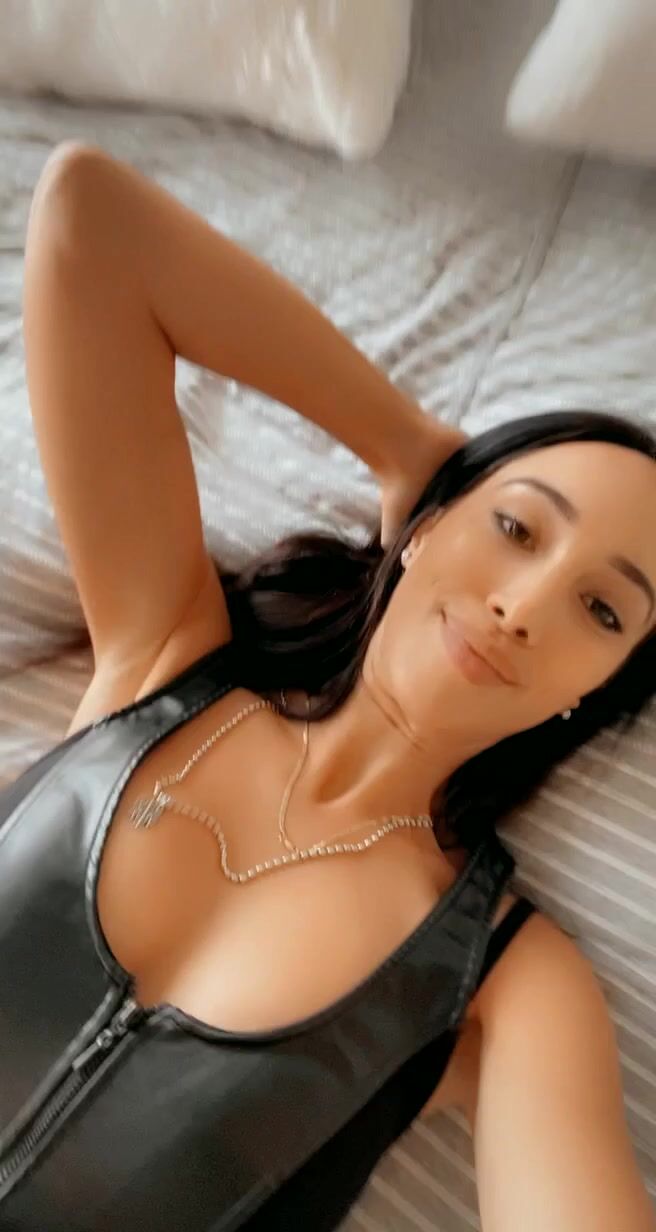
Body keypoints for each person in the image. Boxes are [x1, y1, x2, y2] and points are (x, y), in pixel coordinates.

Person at [0, 142, 654, 1231]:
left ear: (597, 689)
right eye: (515, 526)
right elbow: (88, 217)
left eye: (603, 611)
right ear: (427, 527)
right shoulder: (167, 663)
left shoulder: (505, 978)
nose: (526, 604)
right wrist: (404, 445)